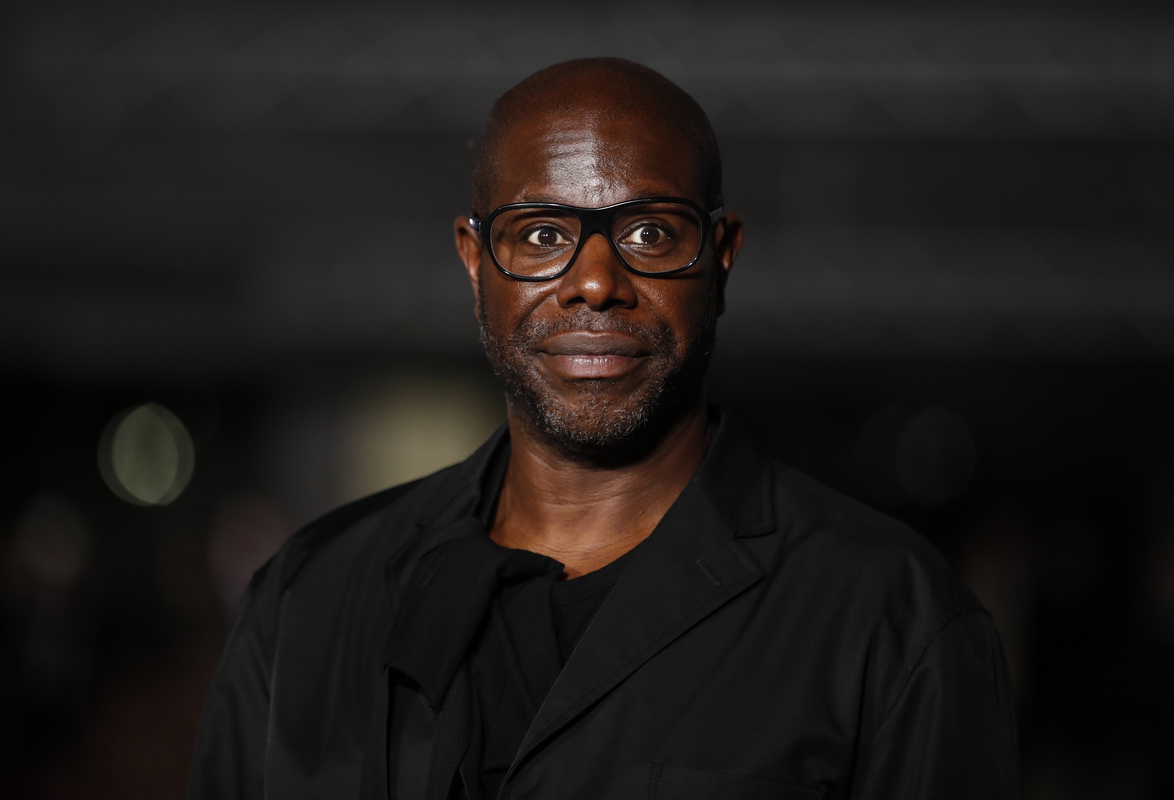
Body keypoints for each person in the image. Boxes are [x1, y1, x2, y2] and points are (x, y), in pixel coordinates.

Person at [190, 58, 1018, 800]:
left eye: (650, 233)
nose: (594, 281)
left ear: (721, 257)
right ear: (476, 263)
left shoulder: (887, 616)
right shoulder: (311, 596)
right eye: (541, 234)